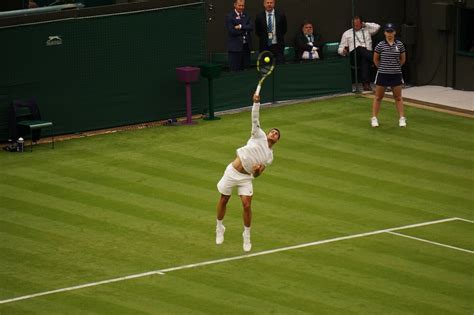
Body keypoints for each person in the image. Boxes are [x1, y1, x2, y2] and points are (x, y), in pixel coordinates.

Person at [215, 94, 280, 252]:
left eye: (276, 134)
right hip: (232, 172)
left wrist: (257, 171)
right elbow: (255, 117)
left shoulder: (269, 157)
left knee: (246, 205)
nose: (273, 133)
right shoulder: (258, 134)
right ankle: (219, 227)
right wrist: (256, 103)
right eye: (272, 131)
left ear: (277, 141)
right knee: (224, 199)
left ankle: (247, 235)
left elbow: (258, 174)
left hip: (246, 178)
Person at [371, 23, 407, 128]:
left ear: (394, 32)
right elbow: (376, 60)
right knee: (378, 97)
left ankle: (401, 118)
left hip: (396, 74)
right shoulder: (380, 45)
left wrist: (395, 67)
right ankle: (374, 118)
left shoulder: (399, 45)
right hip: (382, 74)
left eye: (391, 32)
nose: (389, 34)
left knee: (398, 97)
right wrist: (383, 68)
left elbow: (403, 59)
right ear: (384, 33)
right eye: (387, 32)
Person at [338, 16, 380, 91]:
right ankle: (377, 59)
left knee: (365, 58)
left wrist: (366, 24)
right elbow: (340, 48)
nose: (355, 26)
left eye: (357, 25)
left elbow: (377, 27)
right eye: (354, 25)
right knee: (359, 48)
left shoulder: (367, 30)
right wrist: (343, 51)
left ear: (361, 24)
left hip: (367, 54)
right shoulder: (347, 33)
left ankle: (366, 84)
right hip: (354, 56)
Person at [255, 0, 287, 64]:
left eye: (271, 3)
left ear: (274, 4)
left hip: (278, 46)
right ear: (264, 4)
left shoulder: (281, 15)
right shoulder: (259, 16)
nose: (269, 4)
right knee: (266, 66)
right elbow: (258, 32)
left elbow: (284, 29)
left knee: (280, 66)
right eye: (267, 3)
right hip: (265, 46)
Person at [225, 0, 253, 71]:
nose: (241, 7)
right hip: (235, 49)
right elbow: (232, 31)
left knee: (246, 69)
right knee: (235, 71)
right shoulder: (229, 16)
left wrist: (240, 26)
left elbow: (251, 27)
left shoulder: (247, 15)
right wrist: (245, 30)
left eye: (242, 5)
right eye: (239, 5)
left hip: (246, 48)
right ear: (235, 5)